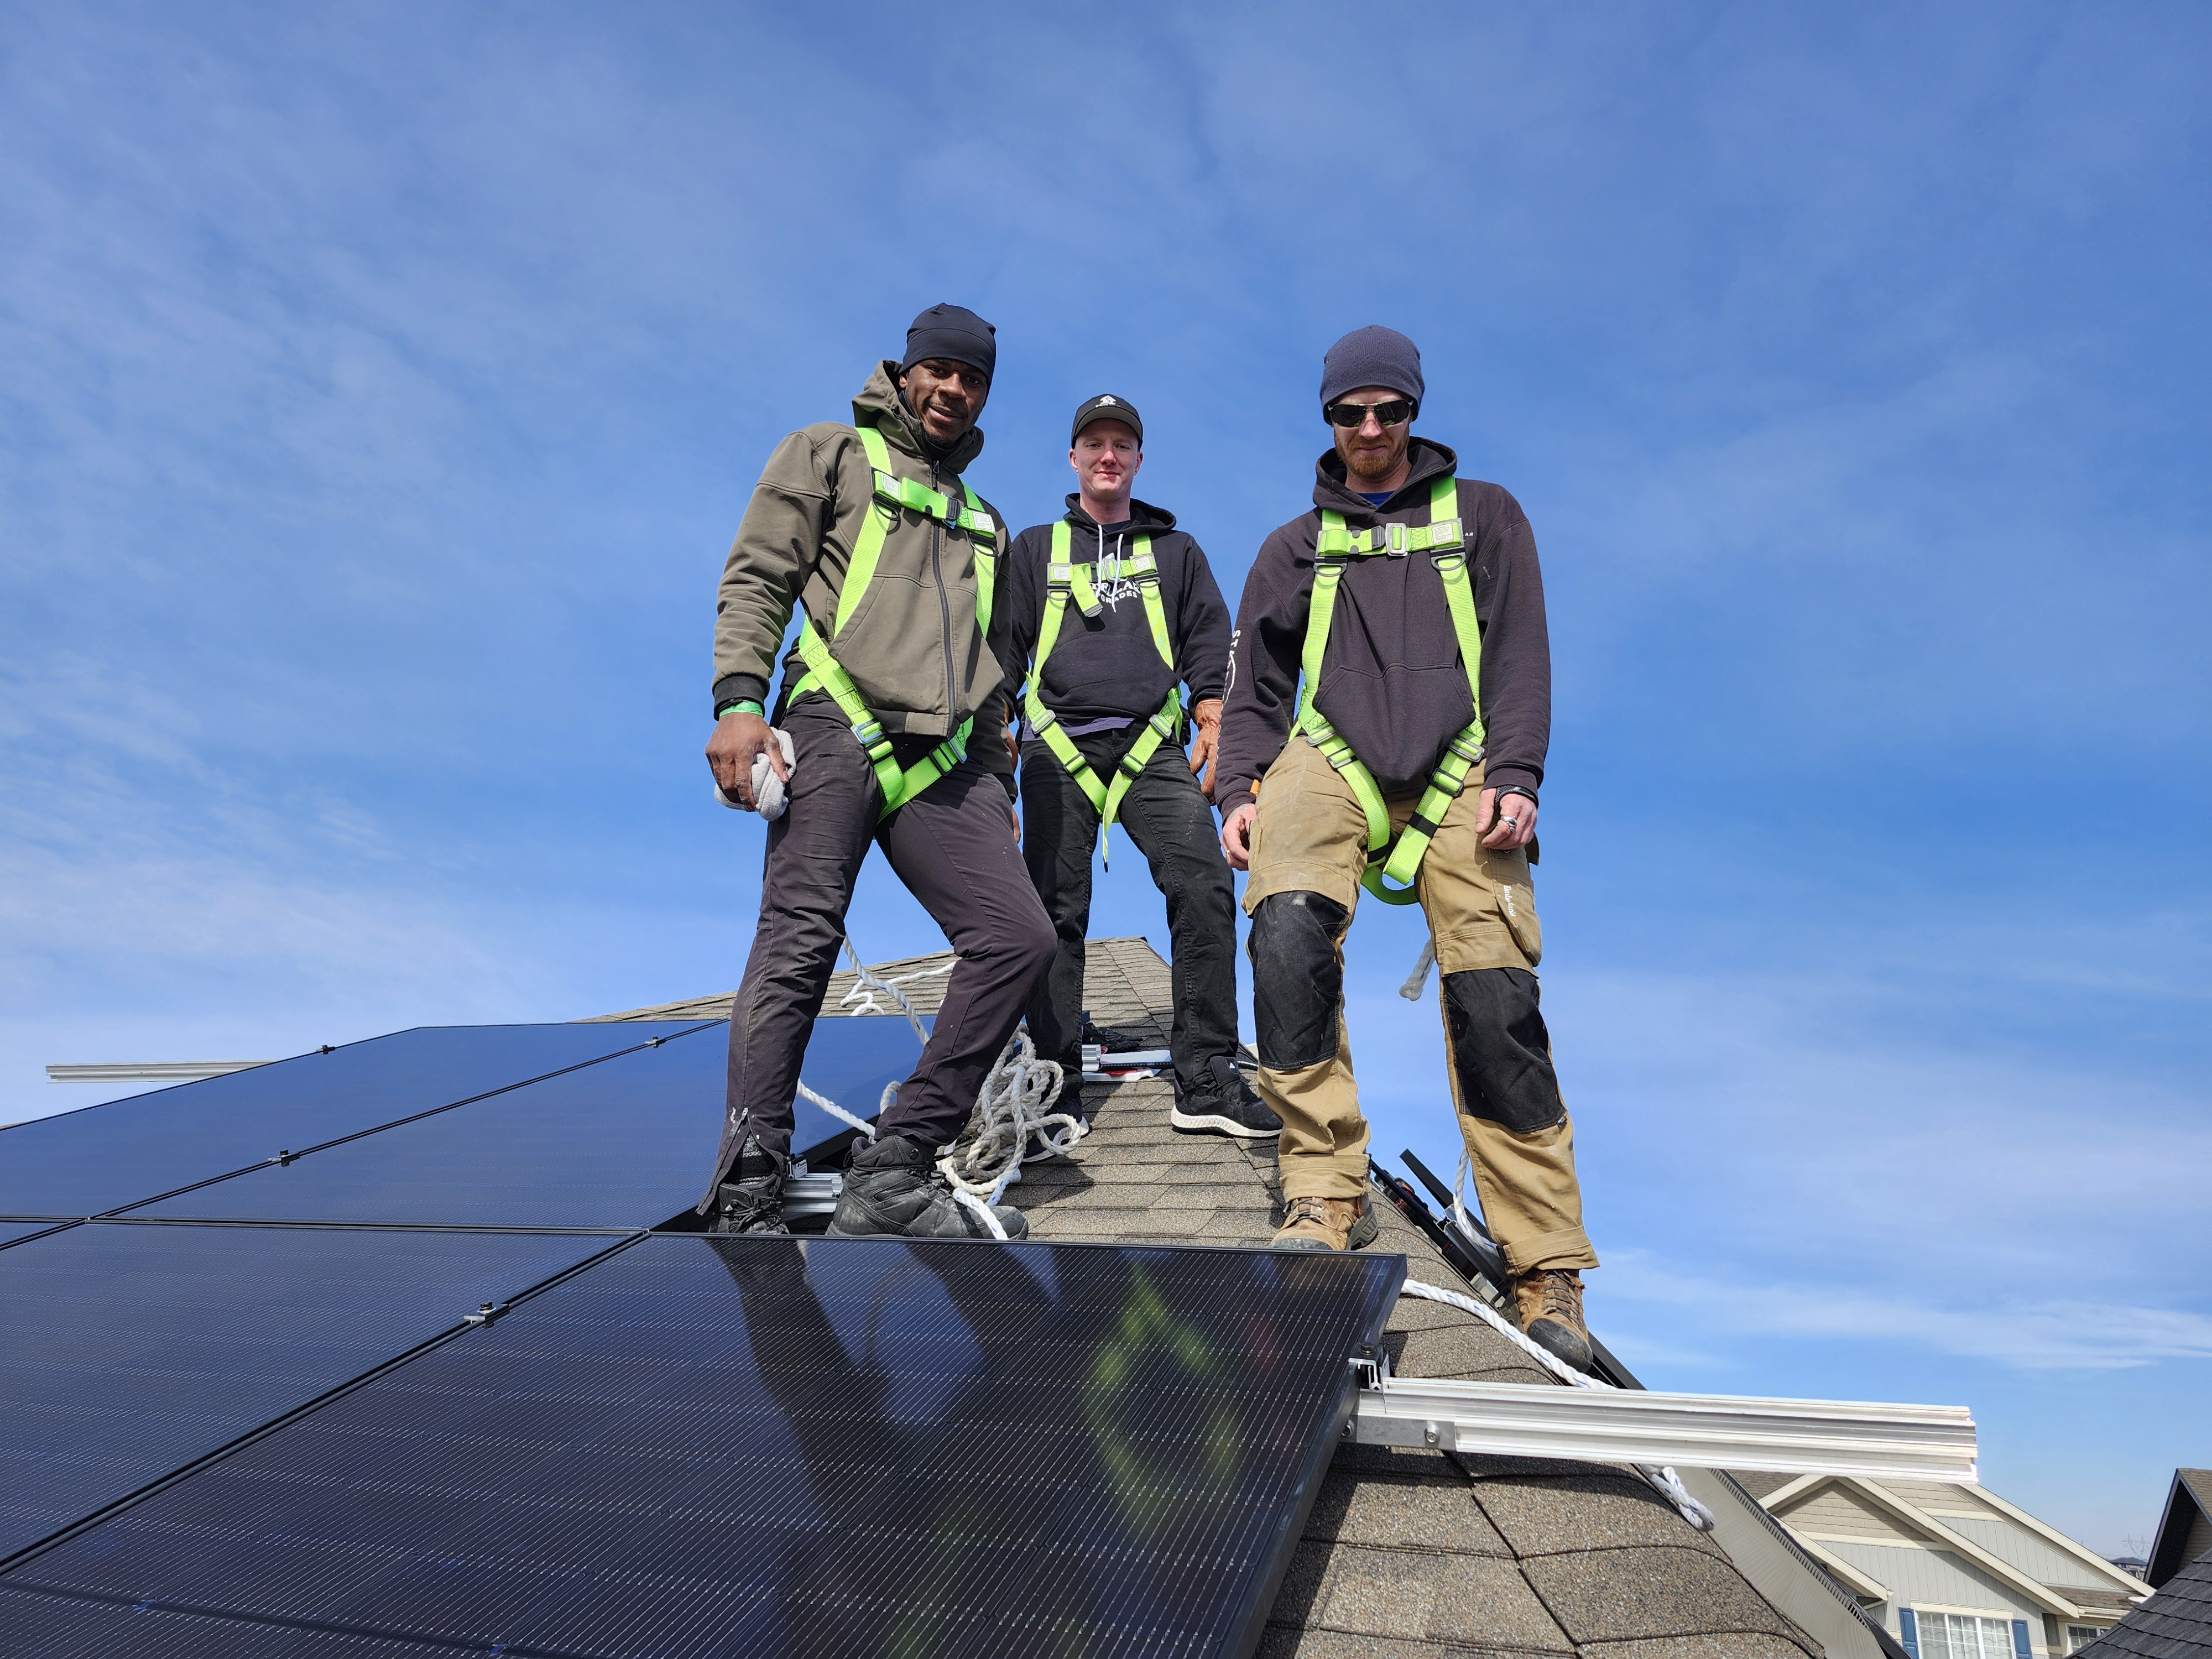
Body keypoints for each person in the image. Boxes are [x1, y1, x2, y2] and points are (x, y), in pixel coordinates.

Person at [1212, 326, 1599, 1371]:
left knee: (1495, 998)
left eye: (1389, 412)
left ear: (1414, 415)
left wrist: (1516, 775)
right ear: (1329, 421)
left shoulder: (1484, 518)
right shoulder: (1291, 547)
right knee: (1283, 935)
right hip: (1330, 753)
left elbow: (1521, 650)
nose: (1371, 431)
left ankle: (1544, 1262)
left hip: (1464, 761)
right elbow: (1253, 689)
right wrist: (1238, 788)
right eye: (1351, 415)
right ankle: (1325, 1189)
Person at [699, 303, 1053, 1241]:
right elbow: (759, 576)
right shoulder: (829, 453)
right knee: (799, 942)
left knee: (1019, 938)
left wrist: (999, 787)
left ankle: (893, 1167)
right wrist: (739, 702)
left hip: (951, 759)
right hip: (833, 722)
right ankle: (750, 1185)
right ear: (905, 371)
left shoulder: (988, 524)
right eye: (940, 370)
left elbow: (997, 672)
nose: (954, 390)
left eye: (973, 379)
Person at [1004, 395, 1279, 1140]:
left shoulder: (1176, 552)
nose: (1107, 455)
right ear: (1073, 458)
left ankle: (1206, 1076)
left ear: (1138, 460)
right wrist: (995, 739)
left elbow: (1209, 641)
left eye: (1122, 444)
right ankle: (1052, 1089)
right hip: (1055, 747)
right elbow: (1003, 650)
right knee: (1052, 913)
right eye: (1093, 443)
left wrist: (1214, 712)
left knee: (1203, 880)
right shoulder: (1035, 549)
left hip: (1149, 748)